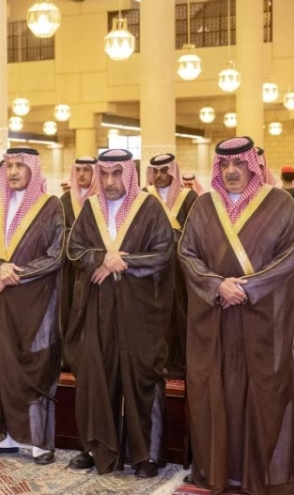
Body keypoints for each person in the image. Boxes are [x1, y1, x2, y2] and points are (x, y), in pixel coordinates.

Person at [179, 137, 294, 495]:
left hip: (261, 320)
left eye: (239, 164)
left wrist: (248, 288)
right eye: (224, 165)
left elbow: (291, 258)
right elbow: (186, 253)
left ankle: (260, 476)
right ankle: (217, 471)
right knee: (213, 390)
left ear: (254, 165)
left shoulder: (279, 203)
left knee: (263, 393)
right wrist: (217, 285)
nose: (231, 171)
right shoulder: (204, 205)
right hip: (215, 319)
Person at [65, 149, 173, 477]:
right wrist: (102, 257)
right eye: (105, 174)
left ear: (128, 174)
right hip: (97, 309)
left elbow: (163, 253)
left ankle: (146, 455)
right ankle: (94, 447)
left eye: (116, 174)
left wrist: (121, 262)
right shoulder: (91, 208)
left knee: (142, 376)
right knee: (96, 376)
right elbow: (74, 250)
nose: (110, 182)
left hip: (139, 310)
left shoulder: (149, 207)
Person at [0, 147, 65, 465]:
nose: (12, 171)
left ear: (33, 170)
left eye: (19, 166)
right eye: (9, 166)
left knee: (34, 366)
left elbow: (56, 255)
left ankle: (39, 443)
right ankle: (3, 438)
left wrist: (14, 275)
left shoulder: (51, 206)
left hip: (35, 302)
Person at [144, 153, 198, 379]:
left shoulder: (189, 197)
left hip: (179, 268)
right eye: (155, 171)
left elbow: (196, 231)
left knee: (179, 310)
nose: (159, 175)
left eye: (164, 170)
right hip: (151, 268)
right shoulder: (144, 196)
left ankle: (180, 359)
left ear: (173, 172)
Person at [59, 156, 97, 340]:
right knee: (70, 310)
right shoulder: (65, 199)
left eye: (87, 170)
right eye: (78, 170)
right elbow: (58, 231)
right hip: (70, 268)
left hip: (95, 267)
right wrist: (78, 242)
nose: (81, 174)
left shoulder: (101, 199)